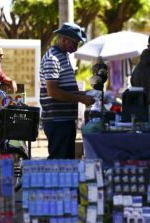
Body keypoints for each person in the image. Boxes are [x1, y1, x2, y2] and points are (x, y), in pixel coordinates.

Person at [39, 23, 94, 159]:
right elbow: (53, 92)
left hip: (65, 120)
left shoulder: (63, 57)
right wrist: (81, 99)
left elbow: (65, 89)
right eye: (74, 43)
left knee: (66, 161)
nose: (76, 47)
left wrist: (85, 94)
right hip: (57, 121)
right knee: (59, 161)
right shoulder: (53, 59)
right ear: (63, 40)